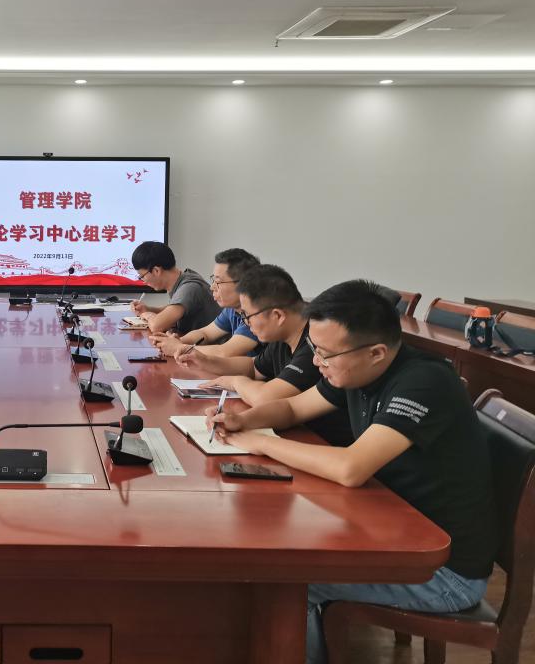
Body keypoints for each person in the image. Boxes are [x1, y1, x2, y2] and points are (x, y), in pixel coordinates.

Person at [205, 280, 496, 664]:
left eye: (326, 354)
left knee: (289, 582)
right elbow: (292, 409)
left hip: (442, 572)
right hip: (392, 531)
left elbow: (350, 468)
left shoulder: (423, 382)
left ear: (376, 352)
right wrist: (243, 419)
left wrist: (261, 443)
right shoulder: (356, 370)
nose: (316, 363)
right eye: (315, 350)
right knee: (274, 554)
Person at [178, 264, 352, 446]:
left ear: (277, 316)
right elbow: (254, 368)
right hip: (302, 436)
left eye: (247, 316)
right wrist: (205, 360)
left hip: (321, 442)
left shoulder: (318, 345)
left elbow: (266, 398)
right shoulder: (283, 336)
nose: (246, 323)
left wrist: (236, 382)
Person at [151, 248, 261, 357]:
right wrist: (177, 341)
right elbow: (205, 333)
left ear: (243, 284)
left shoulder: (257, 314)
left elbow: (224, 352)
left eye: (218, 281)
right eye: (213, 280)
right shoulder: (232, 309)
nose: (212, 287)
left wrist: (179, 348)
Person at [128, 241, 220, 334]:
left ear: (156, 271)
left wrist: (146, 315)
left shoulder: (189, 288)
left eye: (142, 276)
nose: (143, 281)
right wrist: (148, 309)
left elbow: (157, 326)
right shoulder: (184, 278)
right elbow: (172, 309)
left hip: (207, 343)